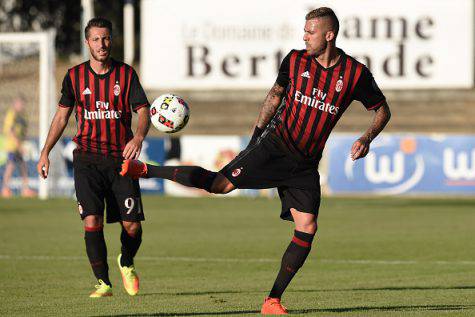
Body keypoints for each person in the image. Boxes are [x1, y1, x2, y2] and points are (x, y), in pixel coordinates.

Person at [122, 7, 391, 314]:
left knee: (308, 227)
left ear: (329, 35)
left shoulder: (355, 74)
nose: (304, 37)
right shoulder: (295, 59)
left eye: (310, 32)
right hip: (274, 146)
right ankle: (146, 170)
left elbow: (382, 110)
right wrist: (256, 137)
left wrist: (366, 138)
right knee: (219, 185)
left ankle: (272, 300)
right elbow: (275, 94)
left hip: (304, 164)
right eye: (304, 31)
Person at [36, 17, 150, 298]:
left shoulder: (126, 75)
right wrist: (45, 152)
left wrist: (138, 137)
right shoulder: (74, 77)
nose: (102, 44)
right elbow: (62, 116)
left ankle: (126, 260)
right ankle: (103, 282)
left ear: (112, 40)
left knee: (132, 226)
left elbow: (144, 111)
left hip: (120, 161)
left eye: (106, 38)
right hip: (87, 160)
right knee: (92, 221)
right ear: (87, 43)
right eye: (96, 39)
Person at [1, 95, 36, 198]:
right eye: (19, 103)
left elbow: (23, 131)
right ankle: (5, 189)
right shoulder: (12, 114)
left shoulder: (23, 115)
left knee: (23, 166)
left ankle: (25, 189)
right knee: (10, 166)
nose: (21, 106)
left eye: (22, 104)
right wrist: (18, 144)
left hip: (18, 145)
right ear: (15, 104)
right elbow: (10, 131)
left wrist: (24, 141)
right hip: (12, 145)